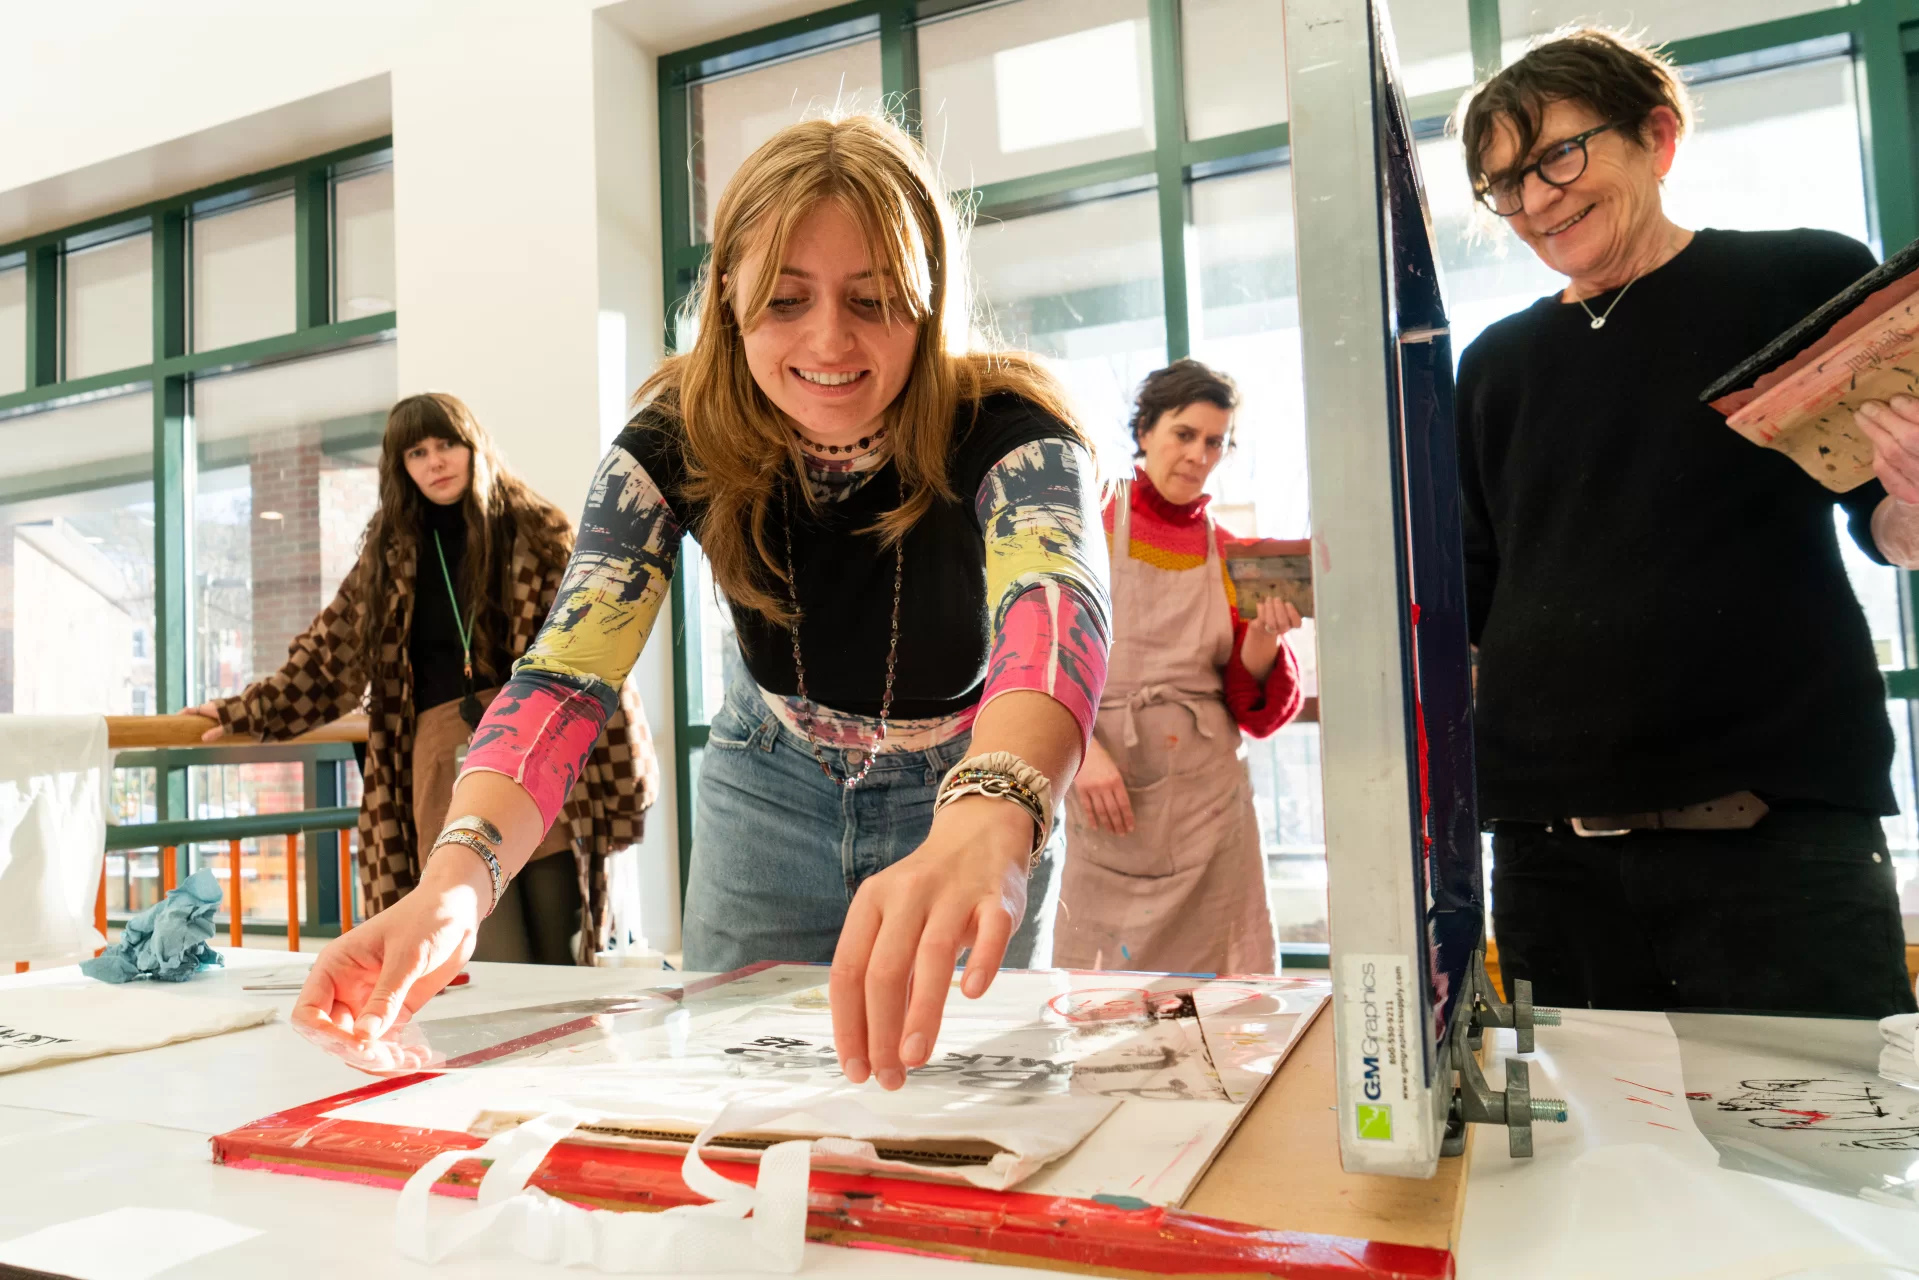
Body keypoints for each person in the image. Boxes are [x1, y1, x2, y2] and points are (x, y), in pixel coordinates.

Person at [289, 113, 1112, 1088]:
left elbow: (1053, 607)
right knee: (737, 1082)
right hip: (770, 782)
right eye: (785, 299)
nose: (828, 340)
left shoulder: (1016, 430)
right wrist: (455, 882)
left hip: (971, 777)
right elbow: (565, 673)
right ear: (726, 292)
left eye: (874, 298)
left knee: (967, 1090)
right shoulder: (671, 440)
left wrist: (993, 811)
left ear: (929, 300)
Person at [1453, 28, 1919, 1016]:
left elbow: (1884, 517)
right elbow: (1469, 597)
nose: (1534, 200)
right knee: (1578, 1168)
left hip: (1773, 847)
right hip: (1547, 861)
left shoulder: (1797, 279)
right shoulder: (1492, 365)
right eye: (1503, 183)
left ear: (1655, 135)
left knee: (1811, 1162)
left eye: (1555, 156)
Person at [188, 393, 656, 965]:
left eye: (446, 445)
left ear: (472, 446)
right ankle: (499, 1055)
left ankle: (559, 1054)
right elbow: (325, 659)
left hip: (536, 746)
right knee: (485, 946)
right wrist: (243, 709)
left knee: (562, 940)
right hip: (442, 762)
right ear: (400, 466)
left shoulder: (538, 533)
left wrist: (623, 766)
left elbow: (596, 643)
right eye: (417, 451)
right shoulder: (388, 556)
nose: (435, 462)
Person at [1057, 360, 1303, 973]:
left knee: (1225, 998)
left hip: (1209, 805)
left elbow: (1250, 701)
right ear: (1144, 431)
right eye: (1184, 434)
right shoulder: (1087, 522)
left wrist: (1267, 637)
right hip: (1104, 795)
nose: (1198, 454)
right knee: (1094, 993)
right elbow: (1032, 654)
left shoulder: (1233, 555)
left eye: (1214, 441)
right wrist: (1078, 751)